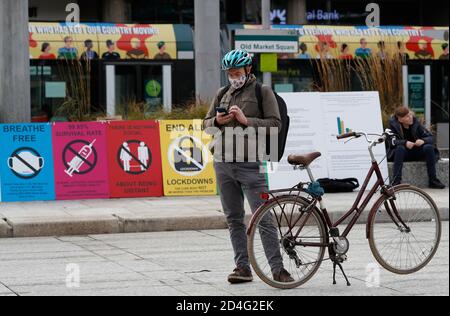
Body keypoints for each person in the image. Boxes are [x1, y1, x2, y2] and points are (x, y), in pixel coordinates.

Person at [203, 49, 294, 284]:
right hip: (223, 162)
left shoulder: (262, 91)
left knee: (263, 217)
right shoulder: (222, 93)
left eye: (237, 72)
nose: (233, 77)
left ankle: (278, 269)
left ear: (248, 69)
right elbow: (205, 125)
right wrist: (216, 121)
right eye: (230, 73)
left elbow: (276, 124)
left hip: (251, 163)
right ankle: (242, 268)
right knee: (233, 218)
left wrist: (246, 120)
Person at [389, 106, 445, 189]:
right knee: (400, 148)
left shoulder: (416, 123)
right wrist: (405, 142)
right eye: (407, 116)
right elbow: (391, 142)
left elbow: (430, 137)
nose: (410, 117)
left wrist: (423, 140)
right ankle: (396, 182)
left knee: (428, 147)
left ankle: (433, 180)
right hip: (403, 154)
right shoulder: (394, 126)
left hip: (417, 152)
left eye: (410, 115)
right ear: (400, 119)